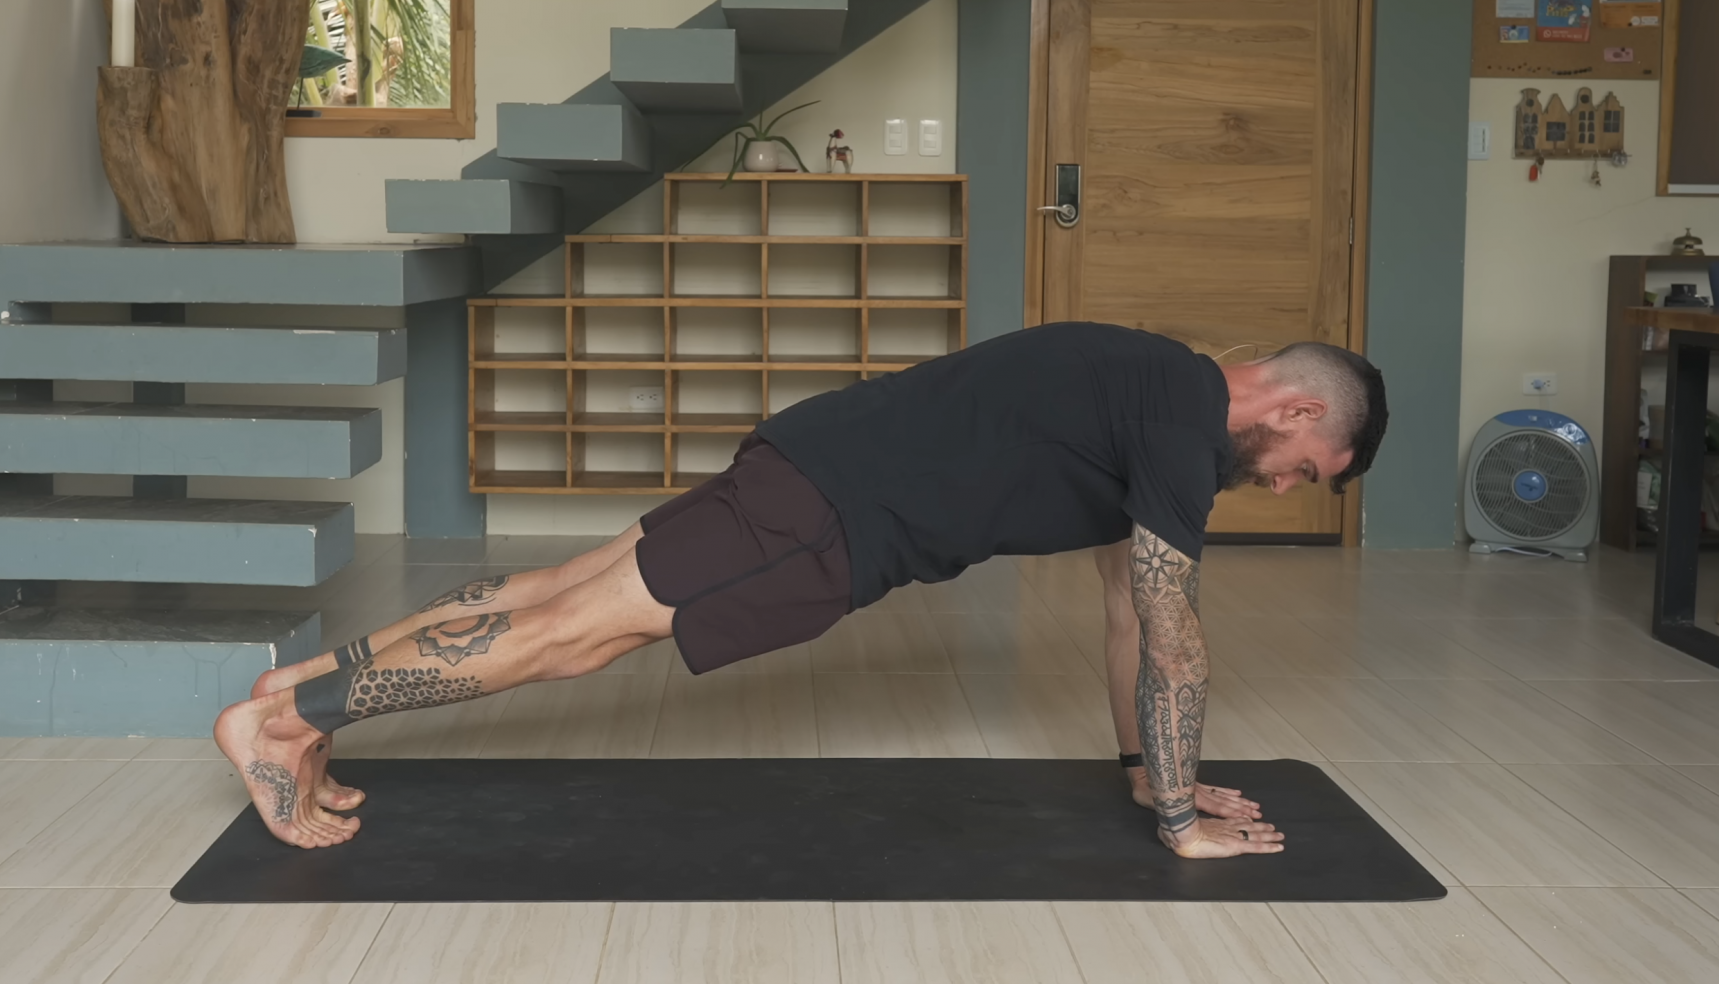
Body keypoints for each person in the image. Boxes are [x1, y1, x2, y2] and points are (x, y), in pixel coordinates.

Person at [215, 322, 1388, 858]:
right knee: (573, 635)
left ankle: (288, 694)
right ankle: (283, 729)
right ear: (1291, 408)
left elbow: (1129, 610)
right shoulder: (1181, 431)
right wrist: (1179, 822)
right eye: (1305, 469)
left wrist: (1145, 770)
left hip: (813, 460)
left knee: (553, 587)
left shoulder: (1155, 381)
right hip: (827, 517)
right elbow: (1175, 636)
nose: (1285, 488)